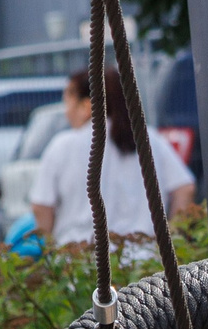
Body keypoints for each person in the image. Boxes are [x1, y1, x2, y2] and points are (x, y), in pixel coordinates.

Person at [29, 69, 197, 249]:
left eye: (68, 102)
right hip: (144, 257)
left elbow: (41, 206)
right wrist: (173, 240)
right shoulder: (149, 139)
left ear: (86, 106)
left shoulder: (63, 146)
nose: (66, 112)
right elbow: (185, 188)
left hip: (79, 258)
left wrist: (49, 250)